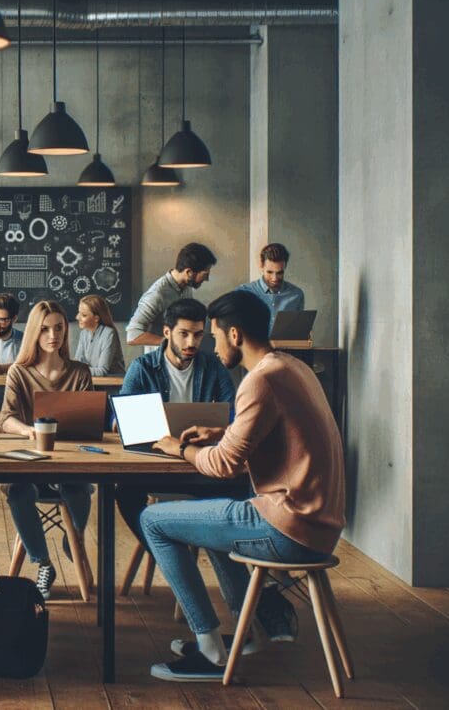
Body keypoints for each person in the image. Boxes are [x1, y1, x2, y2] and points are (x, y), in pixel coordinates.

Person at [142, 291, 344, 682]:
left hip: (288, 528)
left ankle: (210, 649)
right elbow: (274, 427)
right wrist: (221, 430)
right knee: (212, 516)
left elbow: (222, 463)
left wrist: (178, 446)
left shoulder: (259, 381)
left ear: (234, 335)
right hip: (321, 525)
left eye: (214, 336)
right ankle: (245, 635)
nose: (211, 347)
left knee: (152, 519)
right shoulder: (291, 367)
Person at [113, 298, 243, 546]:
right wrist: (120, 422)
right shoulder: (143, 367)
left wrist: (218, 429)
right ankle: (165, 553)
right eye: (183, 334)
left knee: (238, 489)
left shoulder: (213, 366)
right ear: (166, 332)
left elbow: (236, 415)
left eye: (197, 335)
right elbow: (118, 415)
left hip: (198, 463)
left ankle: (210, 554)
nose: (191, 342)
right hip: (155, 462)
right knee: (126, 493)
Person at [0, 300, 94, 600]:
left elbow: (89, 420)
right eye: (44, 329)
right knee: (17, 490)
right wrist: (28, 430)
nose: (53, 335)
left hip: (71, 461)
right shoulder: (19, 372)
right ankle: (43, 562)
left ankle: (73, 540)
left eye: (59, 328)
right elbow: (6, 418)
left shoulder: (80, 372)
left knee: (80, 488)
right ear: (33, 334)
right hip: (32, 459)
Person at [127, 243, 217, 347]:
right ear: (189, 272)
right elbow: (132, 335)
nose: (207, 279)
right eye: (205, 275)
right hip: (160, 360)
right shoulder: (157, 295)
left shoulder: (186, 287)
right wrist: (172, 343)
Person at [236, 243, 305, 329]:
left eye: (280, 273)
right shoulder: (244, 292)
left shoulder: (296, 294)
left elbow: (298, 332)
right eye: (269, 272)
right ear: (261, 266)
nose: (274, 278)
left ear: (285, 266)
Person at [73, 294, 126, 377]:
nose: (77, 317)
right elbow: (78, 363)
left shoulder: (109, 333)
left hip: (113, 385)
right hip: (94, 382)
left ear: (96, 318)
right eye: (78, 313)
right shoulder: (84, 334)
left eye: (83, 315)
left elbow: (102, 371)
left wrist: (75, 371)